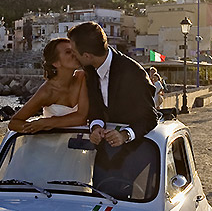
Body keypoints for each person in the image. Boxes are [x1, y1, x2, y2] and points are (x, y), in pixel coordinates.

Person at [67, 21, 159, 198]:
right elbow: (96, 107)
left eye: (74, 51)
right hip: (105, 155)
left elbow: (150, 116)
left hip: (136, 153)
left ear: (86, 55)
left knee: (124, 207)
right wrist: (95, 127)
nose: (73, 55)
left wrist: (125, 135)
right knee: (99, 200)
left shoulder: (134, 73)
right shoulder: (90, 69)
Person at [8, 37, 90, 133]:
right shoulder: (47, 91)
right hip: (49, 146)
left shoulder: (83, 78)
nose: (74, 54)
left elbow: (81, 118)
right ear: (56, 63)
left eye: (74, 51)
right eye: (68, 52)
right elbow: (14, 123)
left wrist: (47, 122)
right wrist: (34, 127)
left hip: (76, 145)